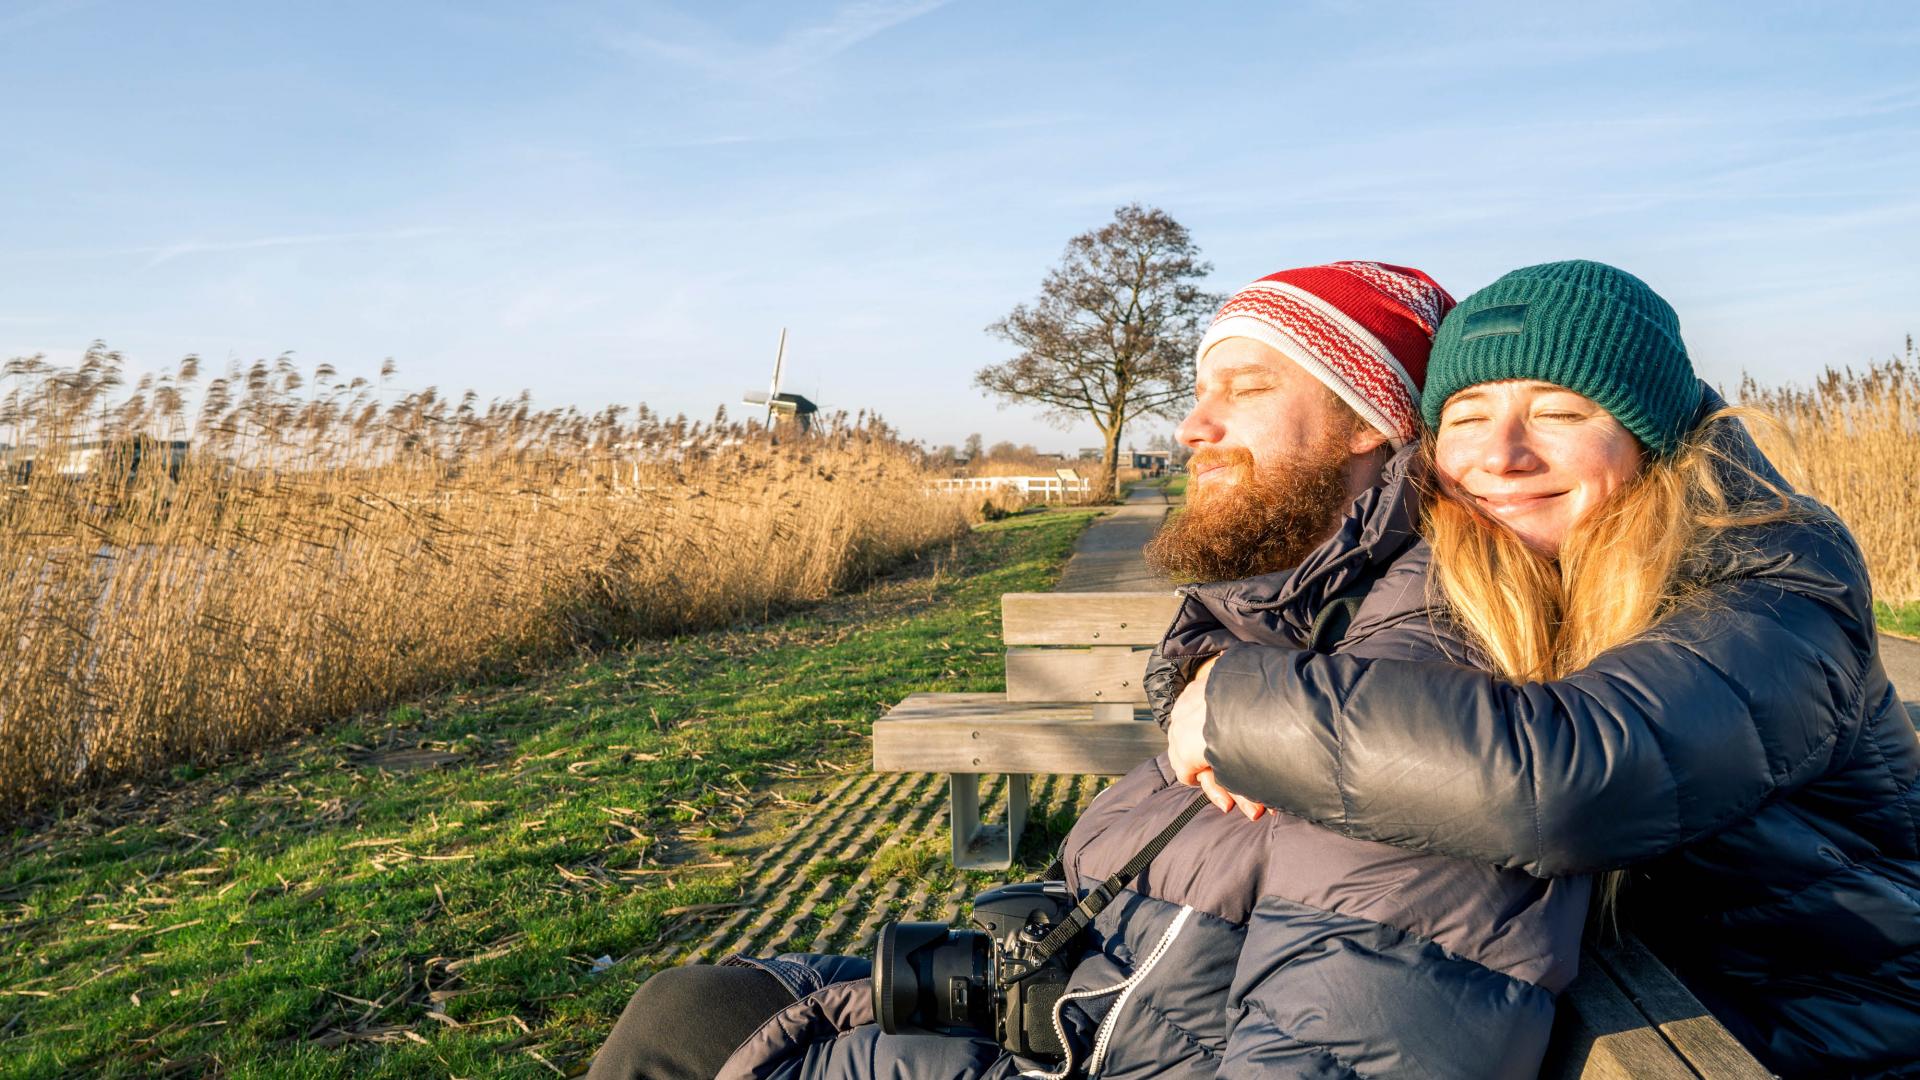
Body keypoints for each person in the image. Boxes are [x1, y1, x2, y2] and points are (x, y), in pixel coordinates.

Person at [590, 263, 1592, 1079]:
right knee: (696, 1007)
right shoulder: (1287, 627)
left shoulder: (1416, 683)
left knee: (707, 1043)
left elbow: (1342, 1040)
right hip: (1091, 1009)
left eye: (1244, 391)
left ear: (1373, 421)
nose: (1193, 427)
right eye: (1198, 393)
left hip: (1114, 1048)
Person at [1166, 259, 1920, 1079]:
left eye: (1560, 412)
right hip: (1637, 1004)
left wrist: (1234, 704)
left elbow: (1574, 779)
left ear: (1650, 435)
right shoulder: (1513, 570)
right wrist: (1201, 663)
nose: (1502, 455)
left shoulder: (1768, 574)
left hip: (1830, 1033)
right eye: (1467, 415)